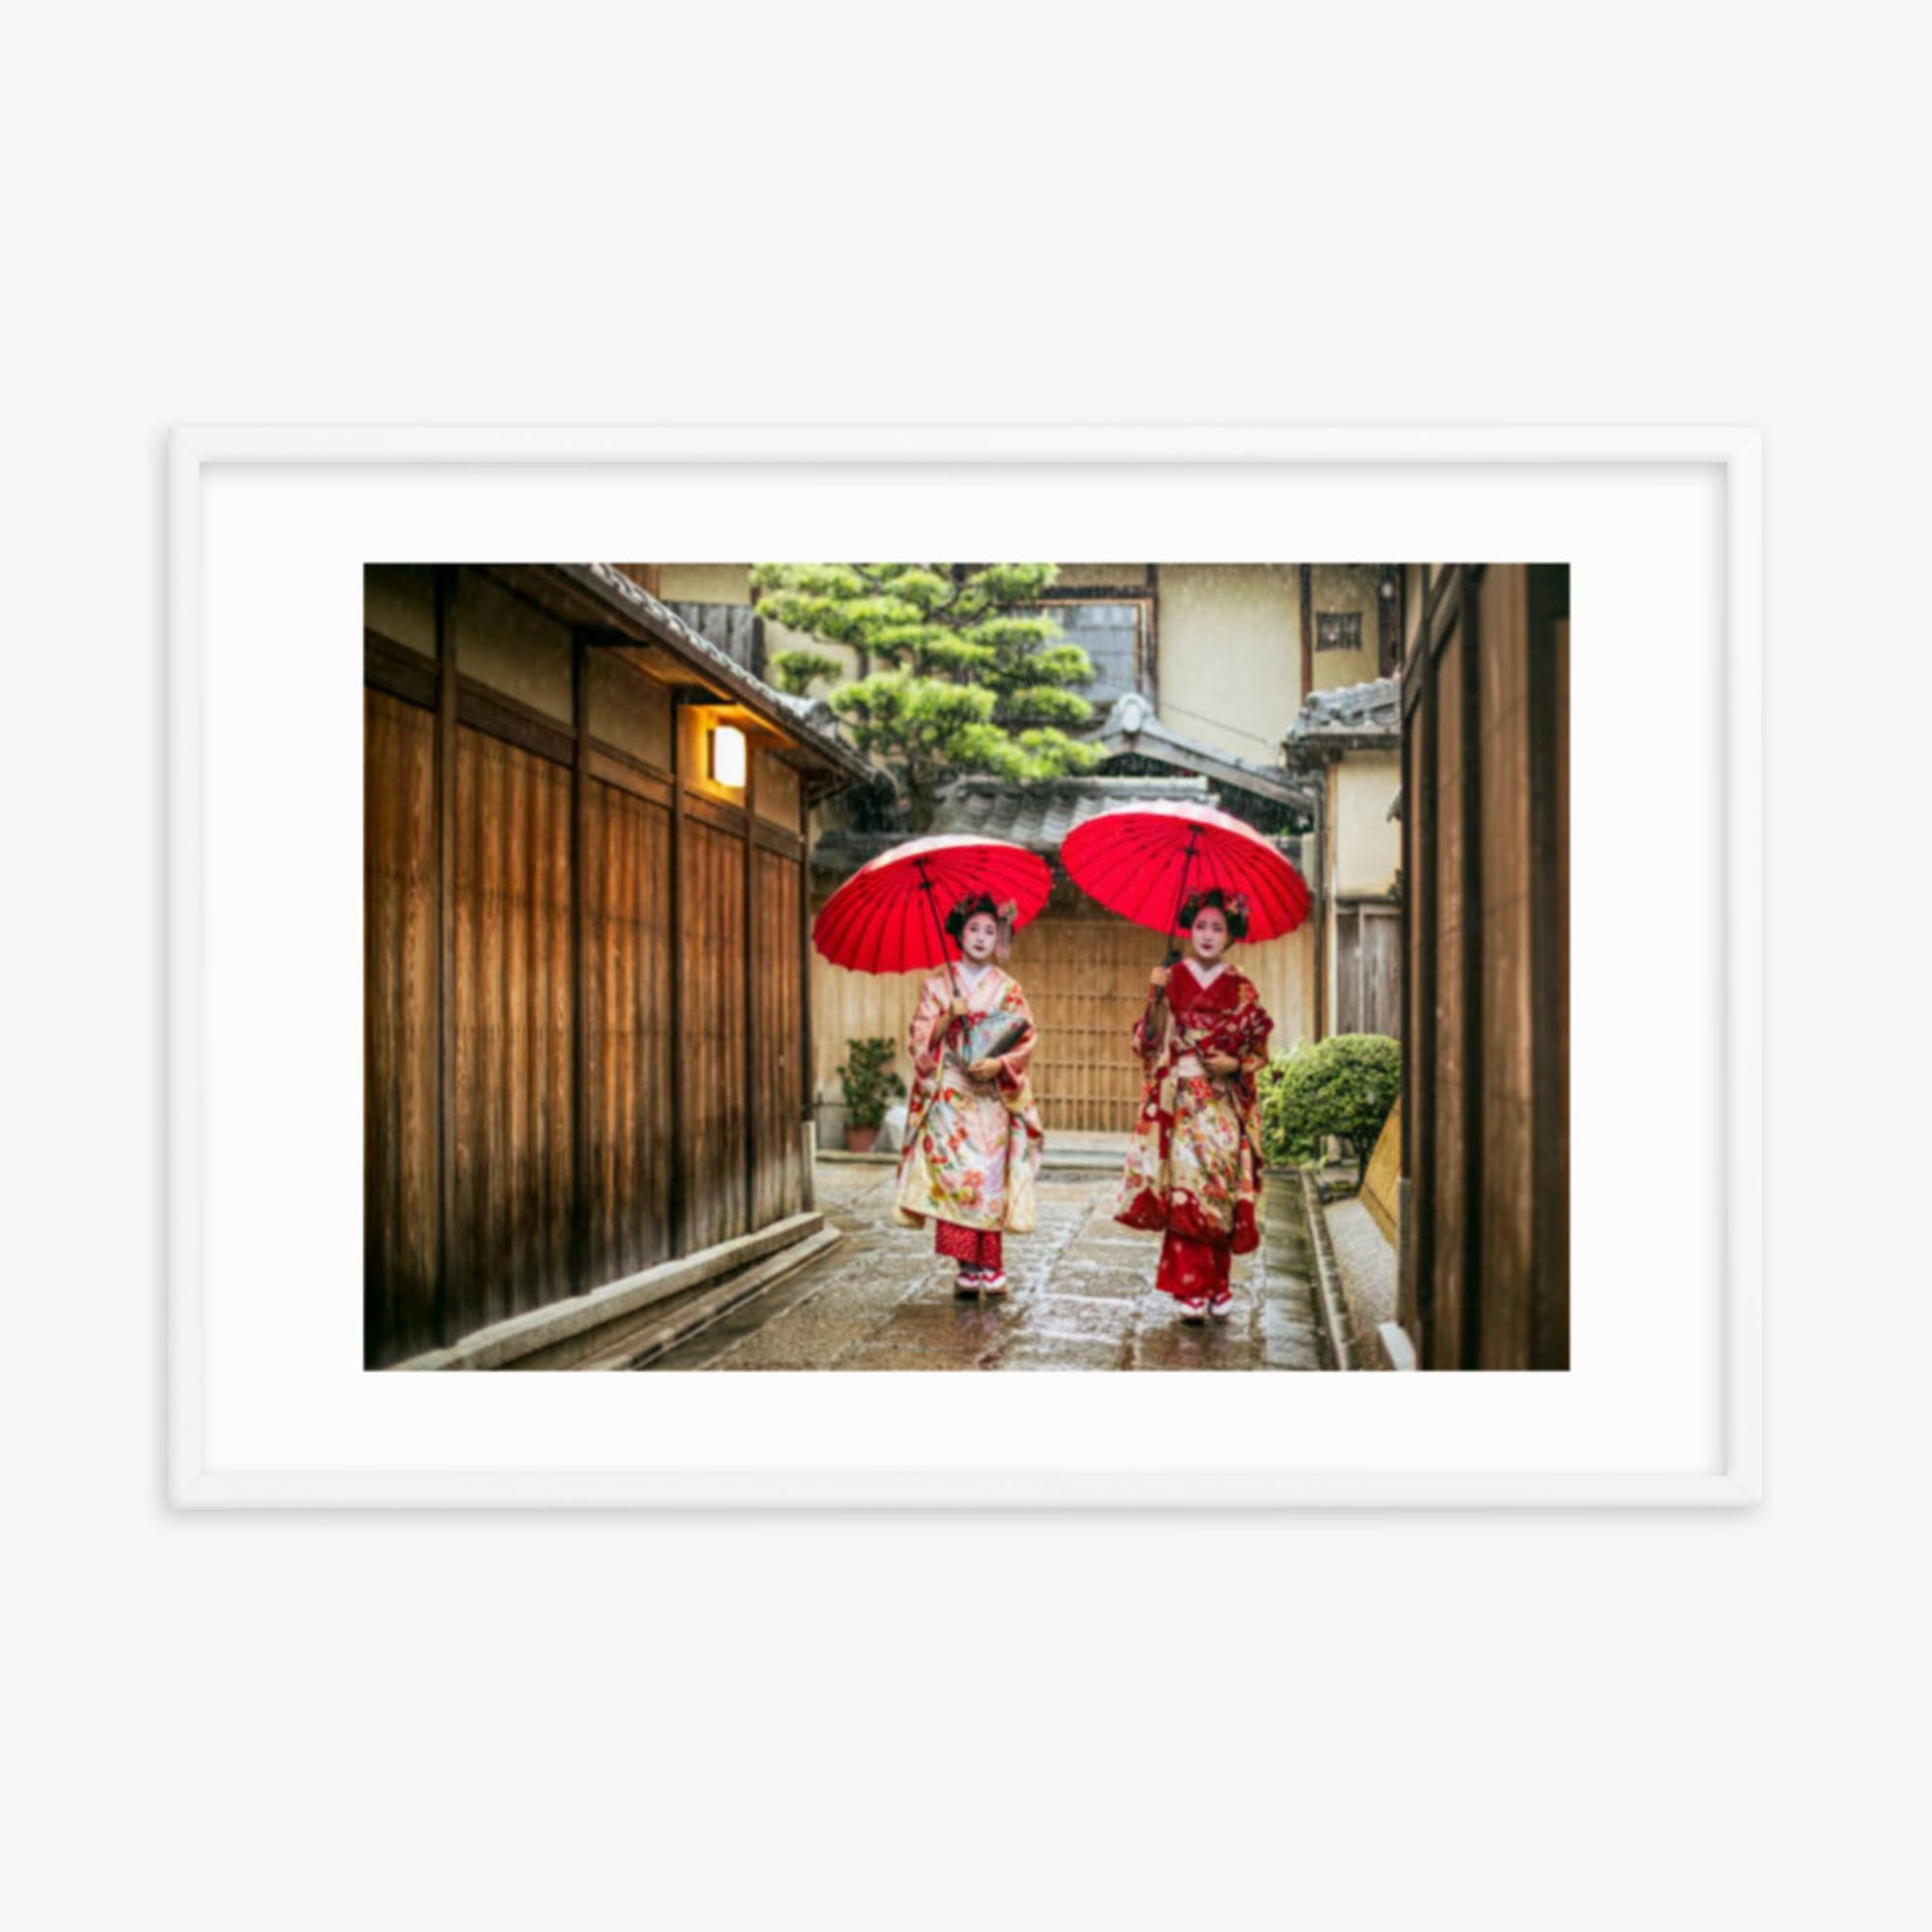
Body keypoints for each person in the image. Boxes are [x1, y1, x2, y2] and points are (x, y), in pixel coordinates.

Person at [1115, 889, 1275, 1322]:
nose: (1207, 935)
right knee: (1185, 1188)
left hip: (1222, 1102)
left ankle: (1218, 1283)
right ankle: (1190, 1288)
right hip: (1182, 1102)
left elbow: (1259, 1050)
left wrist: (1234, 1063)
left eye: (1217, 927)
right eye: (1201, 925)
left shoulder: (1241, 987)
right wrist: (1156, 997)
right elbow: (1146, 1043)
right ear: (1189, 928)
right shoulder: (1172, 976)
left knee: (1219, 1191)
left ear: (1230, 936)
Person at [893, 895, 1042, 1296]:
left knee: (989, 1180)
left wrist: (1000, 1065)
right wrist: (946, 1019)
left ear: (999, 939)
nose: (980, 937)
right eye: (973, 928)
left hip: (990, 1095)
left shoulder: (1008, 989)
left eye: (989, 931)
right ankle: (966, 1264)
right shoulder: (937, 985)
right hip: (951, 1099)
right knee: (958, 1179)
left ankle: (991, 1264)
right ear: (958, 931)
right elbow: (919, 1042)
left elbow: (1026, 1037)